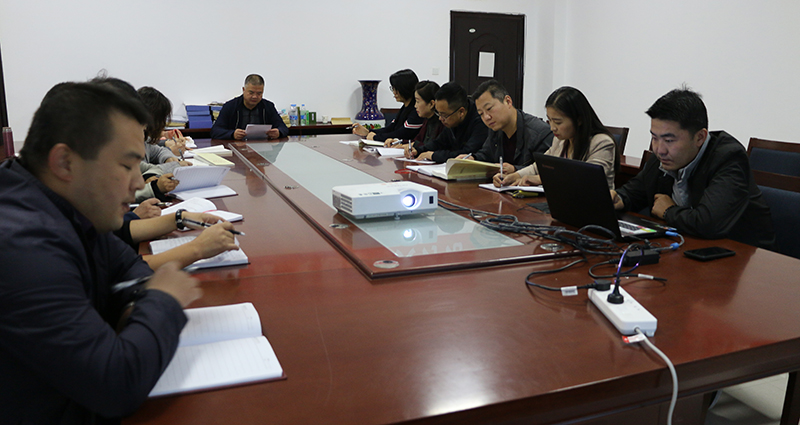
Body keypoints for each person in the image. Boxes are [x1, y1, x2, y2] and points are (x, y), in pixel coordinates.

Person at [0, 79, 206, 424]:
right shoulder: (21, 247)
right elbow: (117, 386)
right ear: (65, 162)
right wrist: (164, 299)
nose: (139, 183)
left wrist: (132, 306)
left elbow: (130, 271)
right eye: (126, 166)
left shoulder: (73, 209)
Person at [611, 87, 775, 248]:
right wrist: (620, 198)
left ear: (699, 137)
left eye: (669, 140)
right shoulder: (662, 157)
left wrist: (669, 211)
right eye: (654, 138)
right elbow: (635, 191)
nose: (659, 149)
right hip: (690, 246)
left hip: (744, 253)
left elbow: (709, 223)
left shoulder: (729, 158)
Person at [495, 86, 618, 189]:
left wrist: (541, 179)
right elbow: (538, 167)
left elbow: (589, 180)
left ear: (579, 120)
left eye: (558, 122)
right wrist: (515, 176)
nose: (552, 128)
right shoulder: (560, 141)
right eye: (550, 121)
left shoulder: (601, 143)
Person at [460, 79, 552, 174]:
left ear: (508, 101)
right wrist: (472, 158)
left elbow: (546, 170)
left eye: (489, 108)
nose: (486, 117)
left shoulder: (540, 133)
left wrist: (515, 170)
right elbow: (487, 154)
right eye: (481, 114)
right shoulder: (495, 128)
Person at [411, 81, 489, 163]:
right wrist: (418, 150)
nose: (440, 118)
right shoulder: (451, 118)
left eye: (444, 115)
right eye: (438, 113)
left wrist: (434, 155)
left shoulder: (480, 121)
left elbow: (466, 154)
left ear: (461, 112)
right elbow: (439, 142)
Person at [351, 69, 424, 145]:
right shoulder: (405, 107)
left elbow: (402, 133)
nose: (394, 92)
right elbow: (392, 127)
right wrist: (369, 132)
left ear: (405, 88)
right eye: (393, 88)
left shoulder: (416, 110)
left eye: (396, 89)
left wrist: (375, 137)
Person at [210, 74, 289, 140]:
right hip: (237, 147)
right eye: (251, 93)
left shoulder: (268, 106)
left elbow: (283, 128)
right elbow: (215, 131)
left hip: (262, 148)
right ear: (243, 90)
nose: (255, 96)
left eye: (259, 93)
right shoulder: (230, 106)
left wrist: (279, 132)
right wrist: (232, 134)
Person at [404, 80, 444, 158]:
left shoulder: (442, 122)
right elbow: (418, 140)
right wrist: (399, 142)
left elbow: (434, 146)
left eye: (417, 101)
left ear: (431, 104)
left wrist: (413, 145)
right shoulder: (427, 119)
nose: (415, 106)